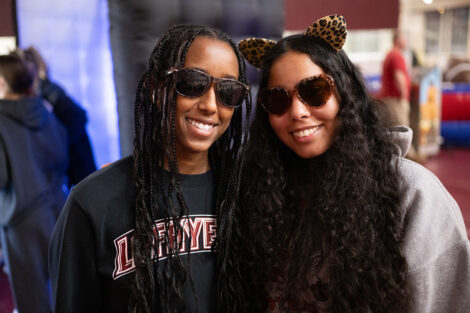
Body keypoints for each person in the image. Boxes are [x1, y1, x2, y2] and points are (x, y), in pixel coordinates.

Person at [224, 14, 470, 313]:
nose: (298, 111)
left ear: (346, 93)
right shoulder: (262, 188)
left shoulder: (413, 193)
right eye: (278, 99)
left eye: (314, 91)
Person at [49, 23, 251, 313]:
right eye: (193, 84)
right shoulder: (92, 204)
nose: (210, 105)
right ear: (157, 90)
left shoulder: (245, 192)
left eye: (228, 92)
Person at [0, 54, 68, 313]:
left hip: (22, 221)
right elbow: (62, 159)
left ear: (3, 82)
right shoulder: (47, 112)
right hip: (57, 210)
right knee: (64, 290)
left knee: (33, 302)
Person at [14, 46, 97, 187]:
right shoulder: (46, 90)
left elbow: (77, 118)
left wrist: (57, 144)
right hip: (77, 167)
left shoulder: (45, 92)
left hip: (75, 167)